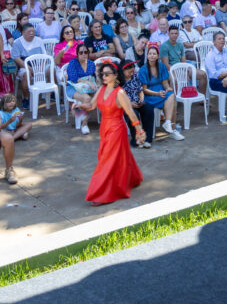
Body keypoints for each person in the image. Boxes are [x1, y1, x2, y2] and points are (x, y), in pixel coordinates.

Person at [74, 61, 144, 205]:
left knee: (107, 160)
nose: (104, 76)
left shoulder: (120, 92)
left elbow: (130, 113)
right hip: (104, 127)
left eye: (107, 74)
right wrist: (80, 105)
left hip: (116, 129)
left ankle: (100, 193)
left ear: (115, 75)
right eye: (102, 74)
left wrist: (139, 131)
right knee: (117, 156)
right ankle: (132, 178)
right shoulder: (101, 89)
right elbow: (92, 105)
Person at [137, 45, 185, 139]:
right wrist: (157, 93)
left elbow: (164, 82)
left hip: (161, 92)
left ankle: (168, 124)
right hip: (150, 95)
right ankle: (171, 128)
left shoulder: (161, 66)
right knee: (172, 103)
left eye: (154, 54)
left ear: (158, 56)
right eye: (150, 54)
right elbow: (144, 89)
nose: (152, 55)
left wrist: (167, 88)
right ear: (147, 56)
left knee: (171, 96)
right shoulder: (143, 69)